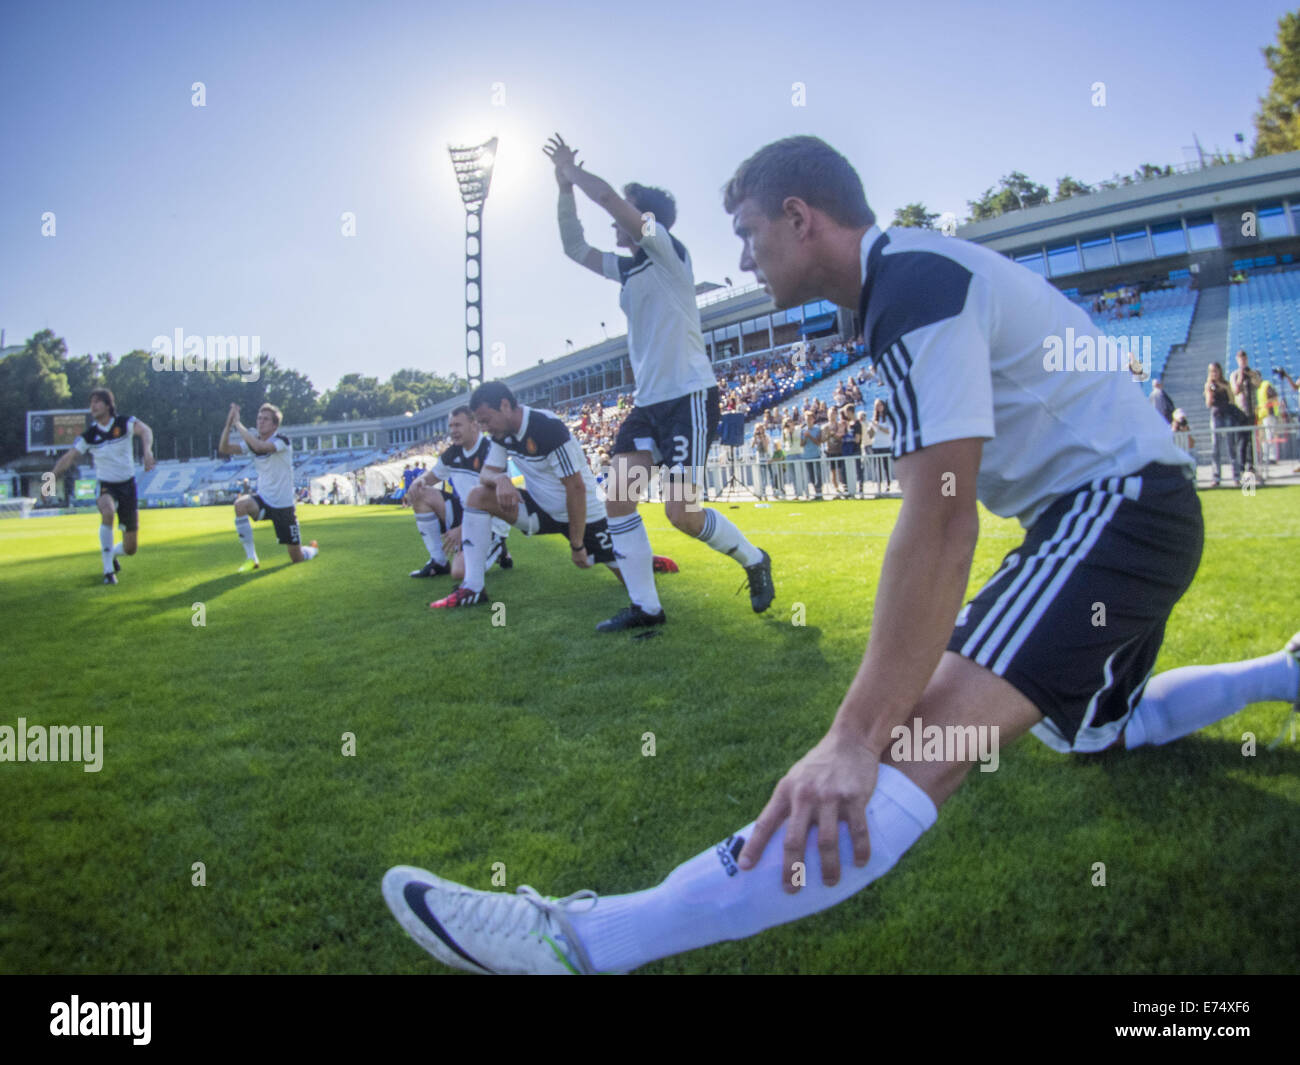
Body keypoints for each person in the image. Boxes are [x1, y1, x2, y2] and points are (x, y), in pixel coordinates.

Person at [383, 134, 1300, 975]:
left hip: (1117, 511)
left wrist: (853, 736)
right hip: (1133, 509)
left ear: (800, 218)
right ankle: (1285, 672)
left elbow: (941, 522)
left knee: (914, 747)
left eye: (747, 232)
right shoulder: (901, 285)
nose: (739, 257)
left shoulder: (909, 284)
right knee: (1098, 728)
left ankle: (582, 940)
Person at [543, 132, 773, 627]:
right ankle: (647, 608)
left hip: (688, 395)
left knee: (682, 515)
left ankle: (755, 560)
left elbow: (605, 197)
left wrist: (572, 172)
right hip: (649, 404)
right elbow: (573, 247)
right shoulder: (628, 271)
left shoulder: (668, 251)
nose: (613, 219)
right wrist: (563, 192)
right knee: (618, 499)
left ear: (642, 216)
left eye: (624, 211)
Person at [429, 382, 677, 631]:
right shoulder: (500, 435)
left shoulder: (546, 427)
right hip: (541, 510)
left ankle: (635, 559)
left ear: (504, 406)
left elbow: (576, 488)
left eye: (486, 420)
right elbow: (487, 474)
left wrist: (577, 544)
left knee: (628, 580)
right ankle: (472, 588)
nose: (484, 428)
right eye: (480, 422)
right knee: (478, 495)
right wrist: (500, 478)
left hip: (584, 514)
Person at [50, 388, 155, 584]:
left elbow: (146, 430)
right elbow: (69, 457)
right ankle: (108, 571)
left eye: (97, 402)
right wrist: (50, 479)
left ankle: (113, 554)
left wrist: (147, 450)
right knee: (107, 511)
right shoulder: (89, 435)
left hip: (128, 487)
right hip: (106, 486)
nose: (93, 406)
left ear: (108, 405)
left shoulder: (124, 423)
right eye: (91, 403)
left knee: (130, 548)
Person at [404, 405, 512, 581]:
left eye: (458, 425)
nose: (453, 431)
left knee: (460, 572)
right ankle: (438, 562)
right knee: (422, 494)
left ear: (474, 424)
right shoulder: (453, 452)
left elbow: (495, 503)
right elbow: (433, 475)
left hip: (489, 520)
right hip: (466, 514)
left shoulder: (491, 452)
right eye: (451, 426)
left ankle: (498, 545)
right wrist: (419, 481)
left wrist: (463, 529)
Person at [218, 402, 318, 569]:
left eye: (265, 419)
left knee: (297, 558)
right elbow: (224, 448)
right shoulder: (253, 441)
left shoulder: (282, 440)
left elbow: (260, 447)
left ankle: (312, 550)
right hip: (264, 499)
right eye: (259, 418)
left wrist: (237, 424)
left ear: (274, 425)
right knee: (240, 505)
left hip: (284, 506)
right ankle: (252, 559)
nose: (260, 422)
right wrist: (229, 424)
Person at [1204, 362, 1248, 487]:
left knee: (1231, 447)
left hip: (1227, 416)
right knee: (1215, 448)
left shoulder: (1225, 384)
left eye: (1216, 371)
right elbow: (1208, 403)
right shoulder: (1208, 385)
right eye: (1212, 371)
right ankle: (1216, 476)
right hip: (1216, 416)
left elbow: (1232, 400)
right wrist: (1210, 390)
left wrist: (1222, 387)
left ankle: (1236, 476)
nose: (1214, 373)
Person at [866, 397, 894, 494]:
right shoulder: (875, 419)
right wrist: (870, 428)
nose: (878, 407)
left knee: (886, 466)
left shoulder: (888, 418)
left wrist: (878, 426)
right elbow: (871, 435)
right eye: (876, 406)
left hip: (886, 444)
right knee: (878, 466)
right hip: (876, 445)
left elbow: (888, 431)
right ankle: (879, 485)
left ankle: (888, 484)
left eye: (879, 405)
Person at [799, 409, 823, 499]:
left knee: (818, 474)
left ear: (813, 419)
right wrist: (805, 438)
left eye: (810, 418)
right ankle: (815, 492)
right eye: (806, 418)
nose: (808, 420)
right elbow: (801, 444)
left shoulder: (817, 429)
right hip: (807, 456)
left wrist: (810, 436)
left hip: (816, 454)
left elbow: (818, 442)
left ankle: (820, 492)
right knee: (811, 475)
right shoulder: (802, 430)